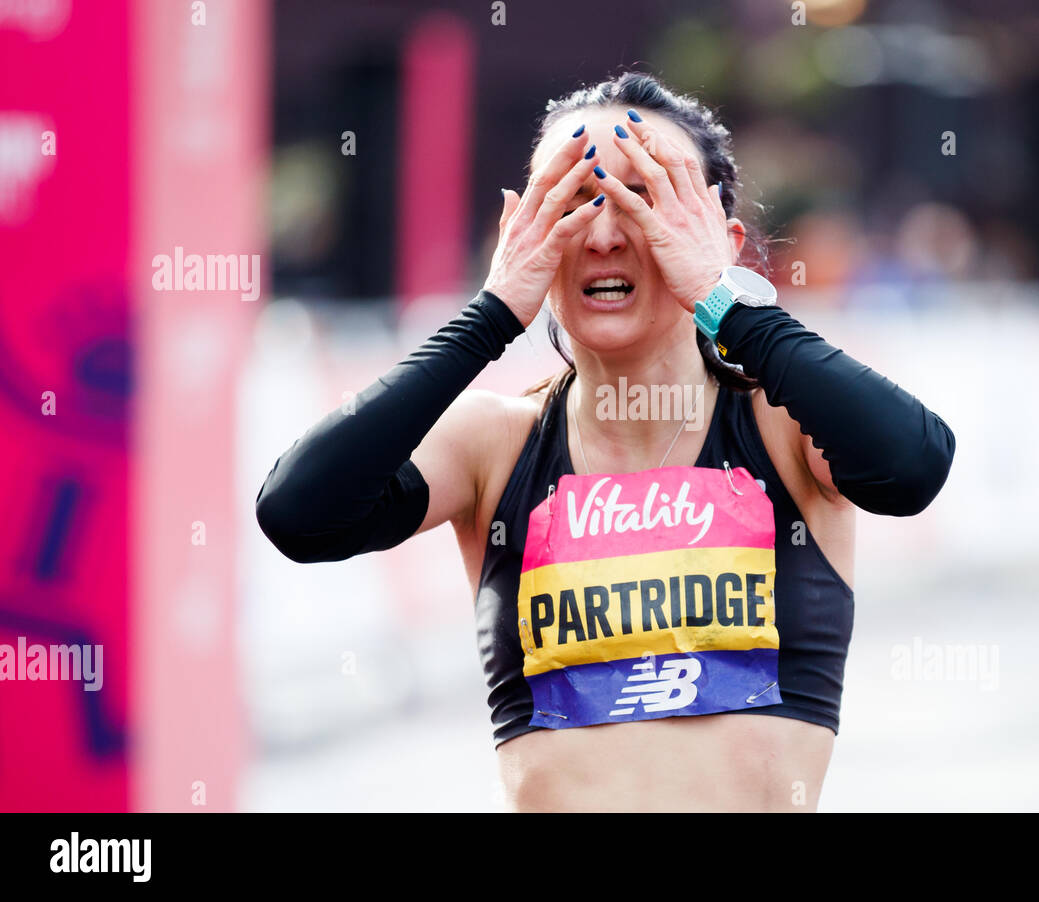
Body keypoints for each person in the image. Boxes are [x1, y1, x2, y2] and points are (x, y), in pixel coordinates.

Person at [255, 72, 956, 812]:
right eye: (573, 198)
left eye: (643, 196)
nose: (604, 232)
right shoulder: (493, 445)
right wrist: (490, 316)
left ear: (722, 238)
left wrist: (725, 299)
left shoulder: (782, 429)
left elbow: (912, 466)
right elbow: (299, 512)